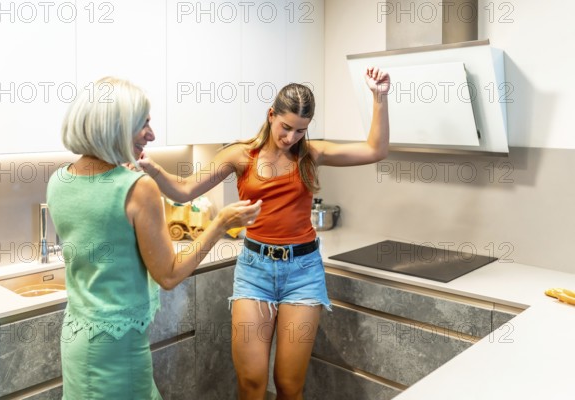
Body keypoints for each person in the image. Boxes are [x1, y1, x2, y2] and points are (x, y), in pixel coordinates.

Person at [139, 66, 390, 399]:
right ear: (271, 115)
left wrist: (379, 98)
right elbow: (184, 191)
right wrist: (153, 169)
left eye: (300, 131)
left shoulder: (312, 155)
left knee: (288, 385)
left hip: (303, 273)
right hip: (255, 271)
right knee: (252, 383)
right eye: (286, 127)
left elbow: (375, 150)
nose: (291, 138)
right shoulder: (240, 155)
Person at [46, 77, 262, 399]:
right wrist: (219, 224)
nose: (152, 134)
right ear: (116, 127)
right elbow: (169, 274)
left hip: (77, 337)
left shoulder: (59, 180)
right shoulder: (137, 188)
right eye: (143, 124)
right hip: (119, 348)